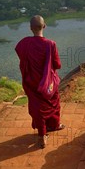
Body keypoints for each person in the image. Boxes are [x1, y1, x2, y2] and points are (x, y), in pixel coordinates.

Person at [15, 15, 65, 148]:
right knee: (54, 102)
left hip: (31, 82)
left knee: (37, 107)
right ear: (45, 26)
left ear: (30, 28)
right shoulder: (50, 44)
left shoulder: (24, 42)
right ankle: (54, 125)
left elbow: (20, 53)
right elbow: (57, 64)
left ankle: (42, 134)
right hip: (47, 84)